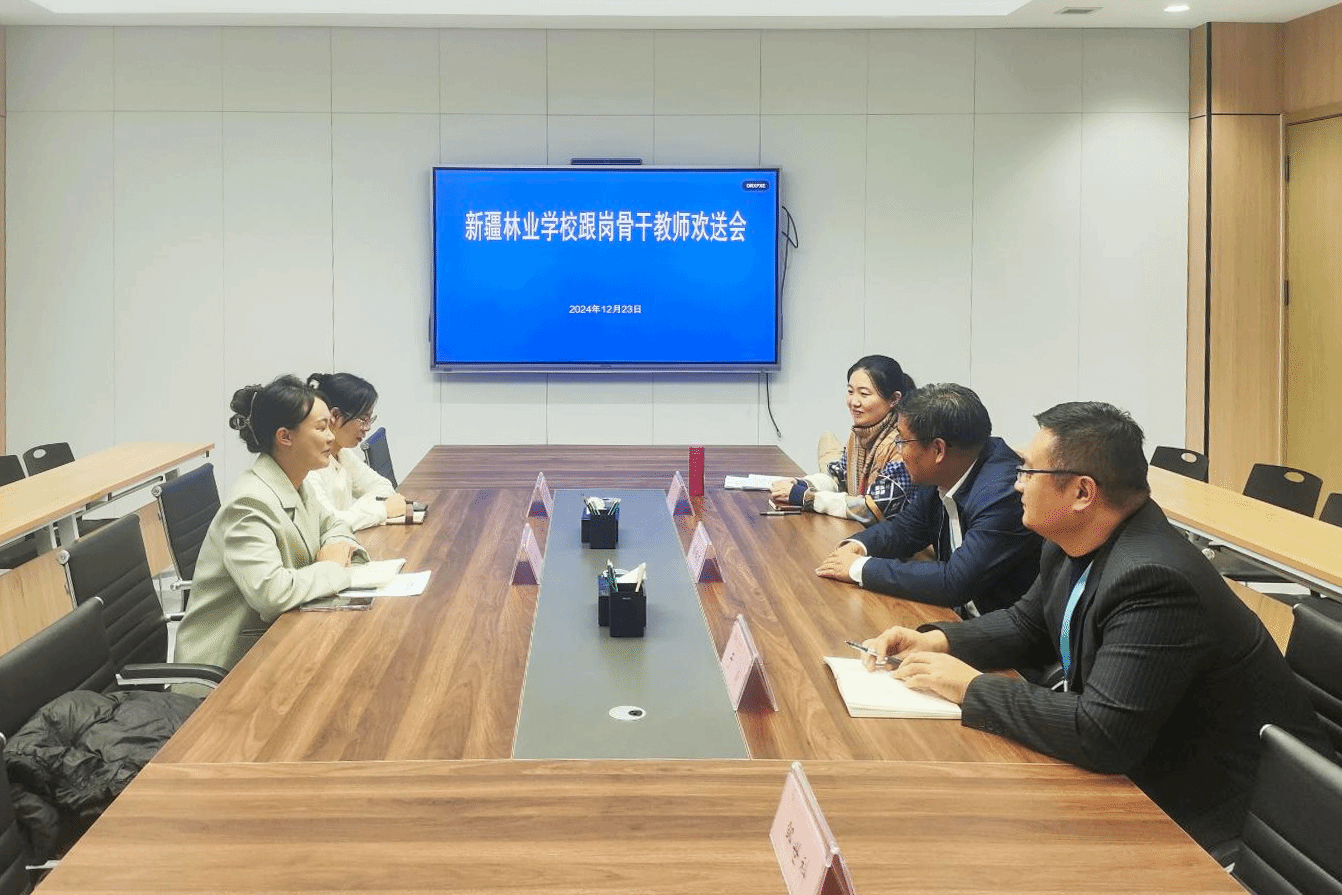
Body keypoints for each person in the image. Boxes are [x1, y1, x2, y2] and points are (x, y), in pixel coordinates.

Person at [861, 401, 1331, 859]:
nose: (1016, 483)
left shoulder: (1155, 579)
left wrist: (971, 688)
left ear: (1082, 493)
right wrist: (937, 639)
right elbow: (1026, 624)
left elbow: (1101, 733)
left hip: (1232, 818)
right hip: (1147, 765)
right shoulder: (1071, 540)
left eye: (1028, 472)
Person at [174, 375, 368, 672]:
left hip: (277, 643)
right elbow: (271, 593)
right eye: (321, 428)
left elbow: (336, 526)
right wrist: (331, 566)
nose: (331, 437)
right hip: (229, 668)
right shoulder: (250, 502)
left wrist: (336, 550)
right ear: (285, 437)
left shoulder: (297, 482)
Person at [816, 382, 1040, 617]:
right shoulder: (945, 471)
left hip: (994, 629)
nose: (898, 451)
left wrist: (858, 568)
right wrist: (857, 547)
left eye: (902, 441)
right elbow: (904, 530)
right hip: (956, 616)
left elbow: (954, 582)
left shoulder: (1002, 494)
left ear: (938, 450)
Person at [769, 355, 915, 526]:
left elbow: (873, 509)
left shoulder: (902, 444)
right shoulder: (860, 432)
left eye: (864, 394)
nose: (854, 402)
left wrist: (803, 497)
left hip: (896, 539)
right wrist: (800, 484)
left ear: (894, 399)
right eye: (850, 392)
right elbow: (838, 477)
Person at [305, 372, 408, 531]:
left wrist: (353, 515)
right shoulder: (309, 467)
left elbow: (384, 487)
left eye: (370, 419)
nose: (367, 427)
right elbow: (331, 523)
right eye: (363, 419)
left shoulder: (342, 454)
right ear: (335, 415)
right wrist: (382, 510)